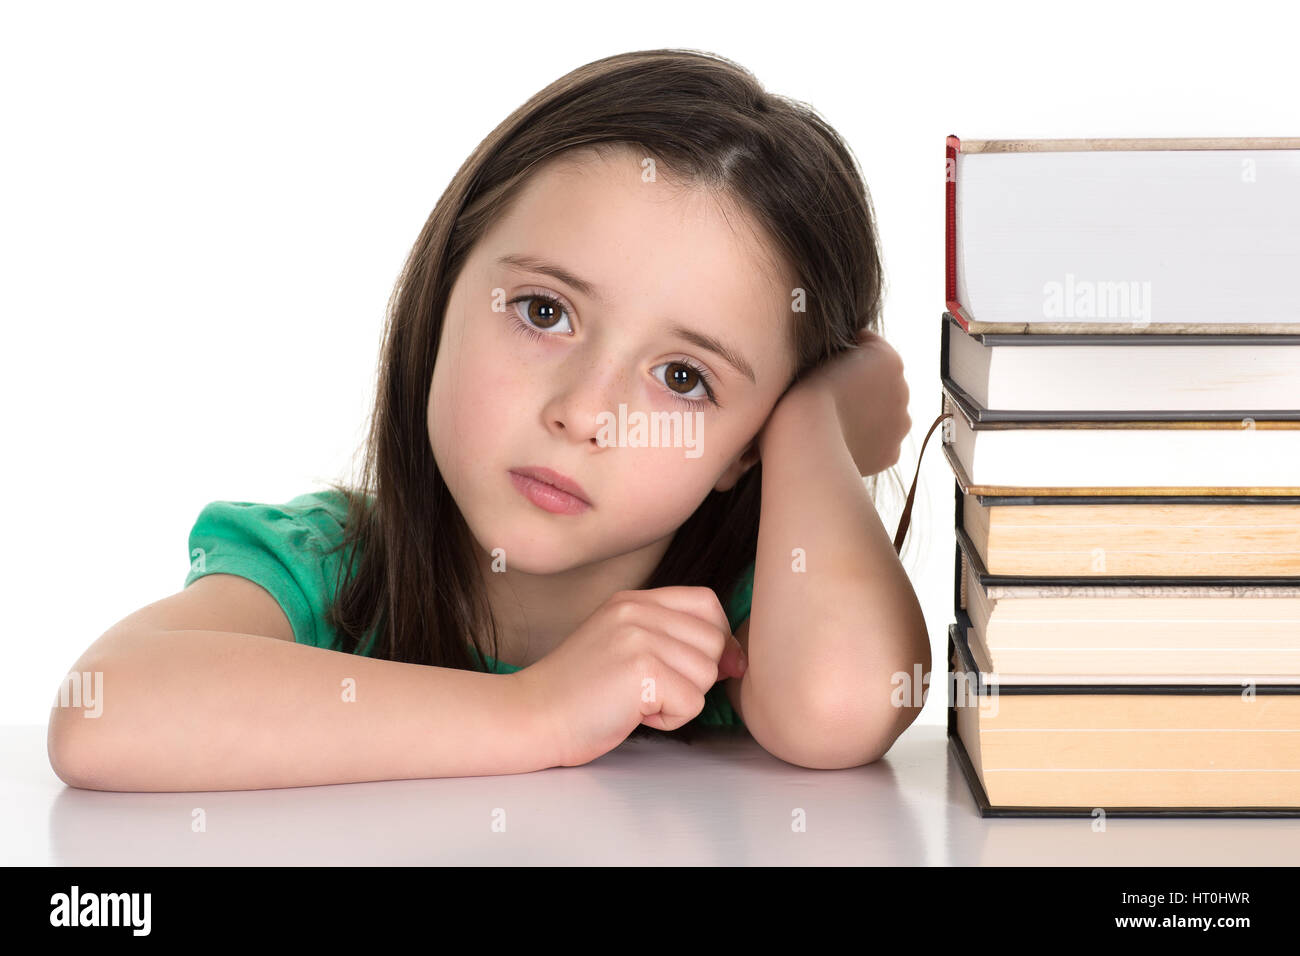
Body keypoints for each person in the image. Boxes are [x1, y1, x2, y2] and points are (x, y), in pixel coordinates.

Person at [49, 48, 926, 792]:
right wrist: (538, 710)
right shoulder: (333, 570)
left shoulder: (744, 628)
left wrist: (814, 422)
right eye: (544, 313)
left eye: (684, 377)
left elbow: (839, 705)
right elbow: (105, 711)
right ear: (444, 293)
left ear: (749, 445)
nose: (584, 414)